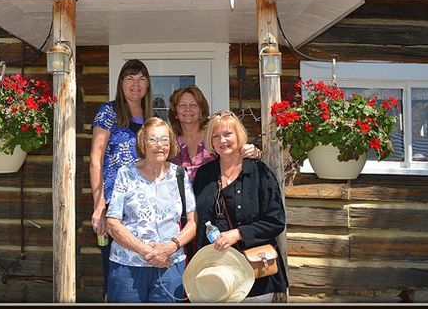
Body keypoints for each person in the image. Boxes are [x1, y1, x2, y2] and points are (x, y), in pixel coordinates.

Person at [192, 110, 288, 302]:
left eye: (228, 134)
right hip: (215, 276)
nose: (222, 140)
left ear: (239, 136)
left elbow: (276, 221)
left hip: (254, 275)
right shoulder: (204, 174)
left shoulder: (259, 172)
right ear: (211, 142)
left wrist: (237, 234)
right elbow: (196, 220)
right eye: (216, 136)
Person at [105, 117, 197, 303]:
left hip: (169, 266)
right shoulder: (126, 173)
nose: (159, 145)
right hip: (128, 267)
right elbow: (112, 223)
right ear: (142, 143)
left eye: (164, 140)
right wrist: (148, 252)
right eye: (152, 139)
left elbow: (192, 222)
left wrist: (170, 247)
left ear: (170, 144)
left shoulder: (179, 174)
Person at [89, 59, 153, 300]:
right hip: (114, 204)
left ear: (148, 85)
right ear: (121, 82)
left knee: (142, 265)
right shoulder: (109, 112)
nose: (135, 84)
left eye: (141, 79)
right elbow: (96, 158)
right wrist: (99, 204)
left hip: (144, 206)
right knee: (115, 272)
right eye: (130, 78)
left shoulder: (151, 117)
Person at [168, 85, 262, 183]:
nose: (188, 109)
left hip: (214, 196)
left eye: (193, 105)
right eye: (182, 105)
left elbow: (238, 152)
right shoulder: (170, 143)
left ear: (201, 111)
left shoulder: (215, 136)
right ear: (175, 112)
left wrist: (256, 153)